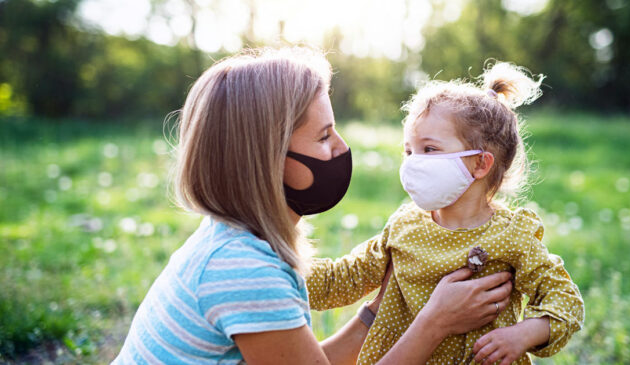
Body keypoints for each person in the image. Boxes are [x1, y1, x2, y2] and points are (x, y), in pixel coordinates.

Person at [112, 47, 513, 365]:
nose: (341, 148)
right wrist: (434, 323)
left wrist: (379, 305)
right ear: (266, 158)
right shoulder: (244, 270)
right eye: (323, 137)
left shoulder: (236, 238)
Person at [306, 62, 584, 365]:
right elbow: (344, 278)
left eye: (430, 149)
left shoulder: (512, 234)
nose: (413, 162)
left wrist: (523, 334)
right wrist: (279, 266)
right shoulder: (404, 225)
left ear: (480, 164)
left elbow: (565, 302)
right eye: (409, 151)